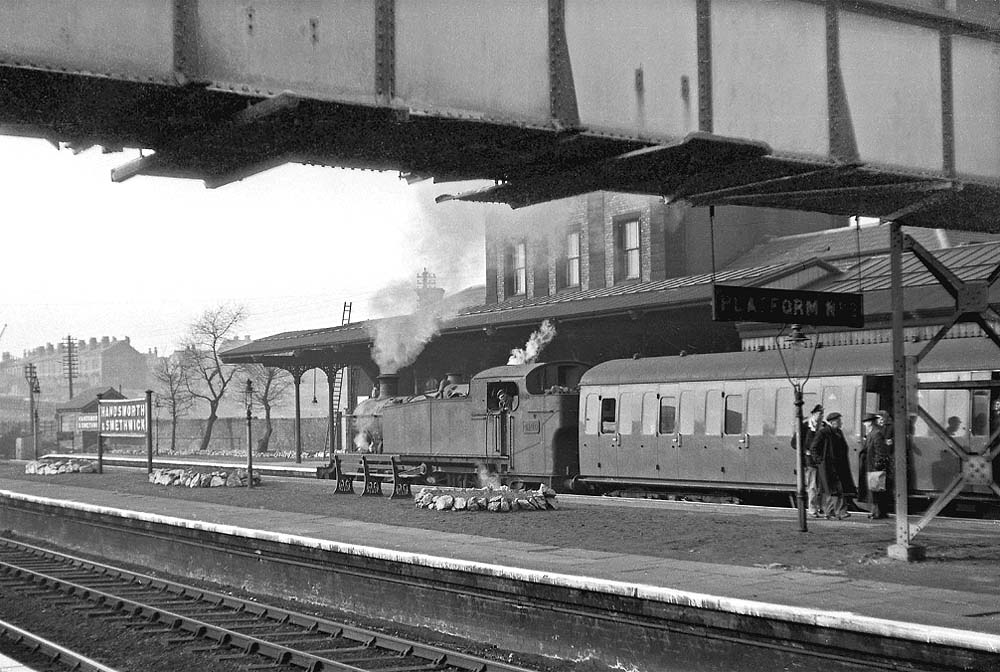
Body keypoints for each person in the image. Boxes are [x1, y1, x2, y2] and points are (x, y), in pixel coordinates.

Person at [809, 412, 857, 520]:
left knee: (832, 490)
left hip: (838, 466)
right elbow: (814, 448)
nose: (841, 423)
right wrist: (820, 461)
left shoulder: (838, 432)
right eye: (838, 421)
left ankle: (829, 512)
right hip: (828, 466)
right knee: (836, 489)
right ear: (832, 422)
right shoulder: (823, 433)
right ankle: (841, 511)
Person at [792, 403, 824, 517]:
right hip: (810, 461)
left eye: (822, 414)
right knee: (813, 485)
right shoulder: (805, 426)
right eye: (820, 414)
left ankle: (819, 507)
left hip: (821, 460)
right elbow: (794, 443)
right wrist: (805, 451)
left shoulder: (823, 426)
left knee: (820, 486)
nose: (821, 416)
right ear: (814, 414)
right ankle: (812, 509)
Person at [866, 410, 895, 519]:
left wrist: (877, 464)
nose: (880, 421)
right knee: (877, 489)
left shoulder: (877, 432)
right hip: (877, 464)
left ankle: (877, 512)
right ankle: (877, 512)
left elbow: (879, 450)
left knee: (877, 490)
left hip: (876, 465)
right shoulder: (875, 432)